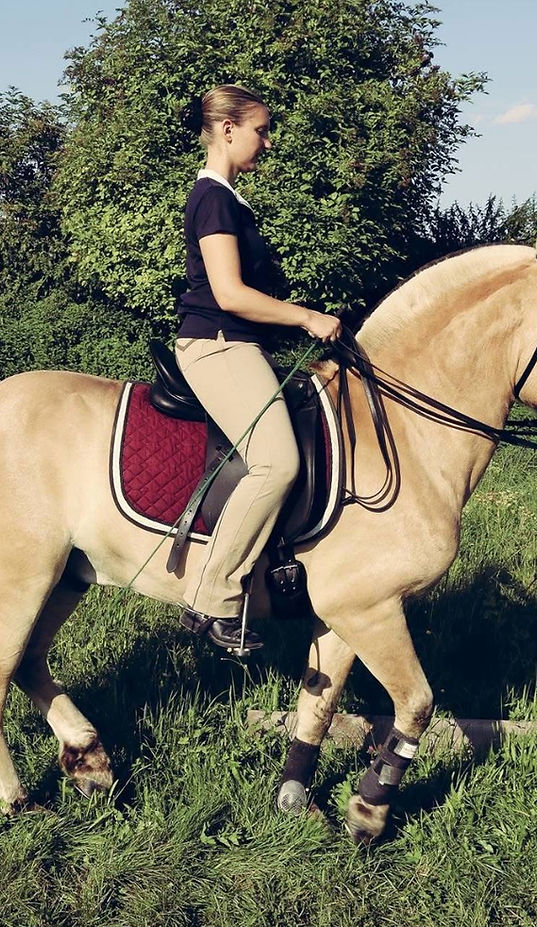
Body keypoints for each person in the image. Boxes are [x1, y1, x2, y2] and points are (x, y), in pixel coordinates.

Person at [175, 84, 341, 653]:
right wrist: (307, 318)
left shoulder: (229, 200)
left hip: (242, 344)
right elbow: (229, 293)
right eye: (261, 130)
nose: (267, 142)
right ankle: (213, 596)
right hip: (217, 345)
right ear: (227, 129)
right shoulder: (213, 199)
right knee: (277, 463)